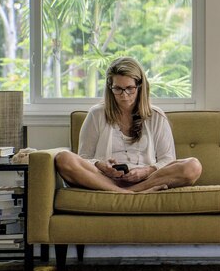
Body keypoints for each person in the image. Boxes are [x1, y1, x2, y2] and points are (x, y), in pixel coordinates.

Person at [55, 57, 202, 193]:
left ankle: (132, 191)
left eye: (130, 88)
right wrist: (101, 165)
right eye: (118, 89)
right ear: (110, 87)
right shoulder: (96, 114)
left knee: (193, 166)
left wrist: (146, 171)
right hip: (104, 179)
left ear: (140, 86)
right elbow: (84, 158)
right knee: (63, 158)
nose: (124, 95)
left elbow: (168, 160)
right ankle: (127, 193)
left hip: (148, 180)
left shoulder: (156, 116)